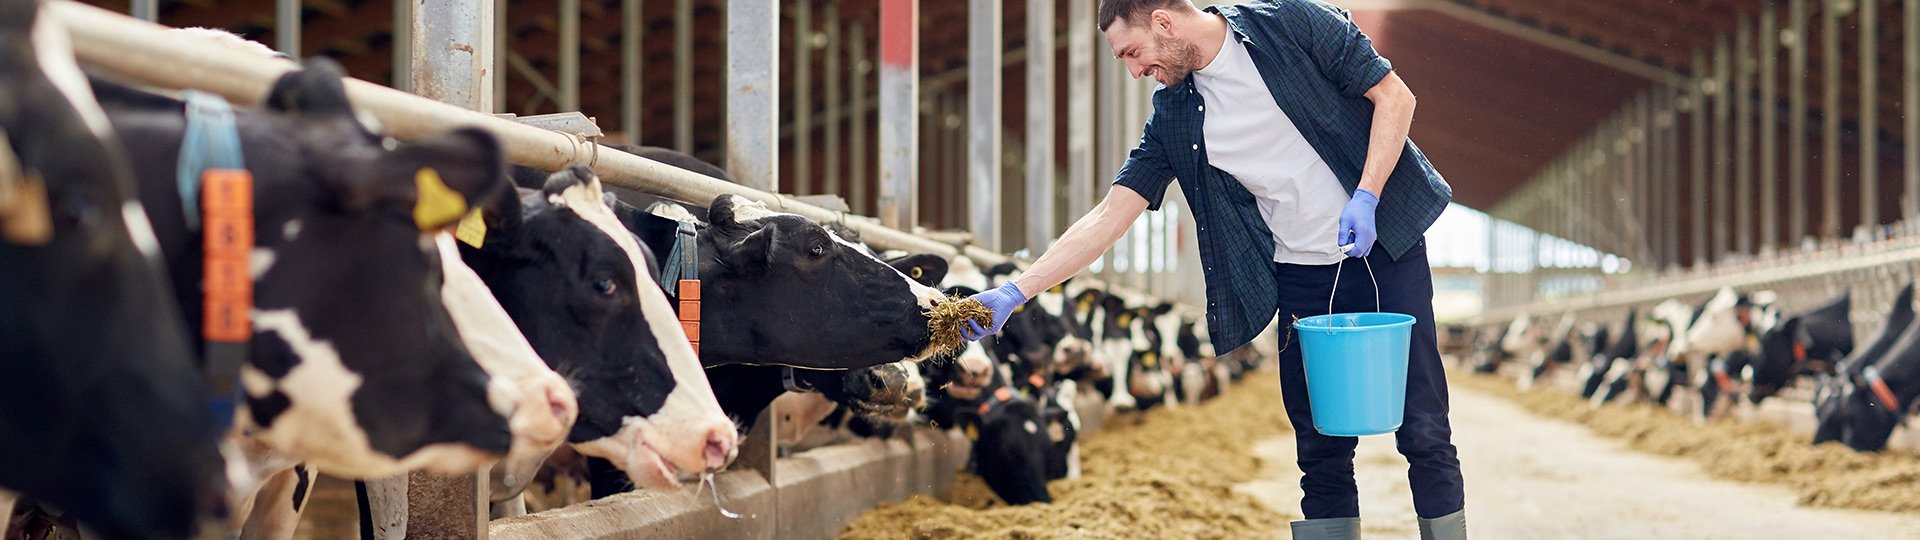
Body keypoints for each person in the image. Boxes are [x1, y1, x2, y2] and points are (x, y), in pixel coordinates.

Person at [959, 1, 1463, 538]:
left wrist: (1367, 193)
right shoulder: (1174, 116)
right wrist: (1017, 290)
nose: (1134, 71)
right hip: (1300, 276)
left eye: (1132, 53)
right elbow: (1110, 214)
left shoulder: (1290, 23)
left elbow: (1393, 96)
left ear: (1164, 21)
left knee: (1424, 425)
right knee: (1320, 446)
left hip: (1384, 251)